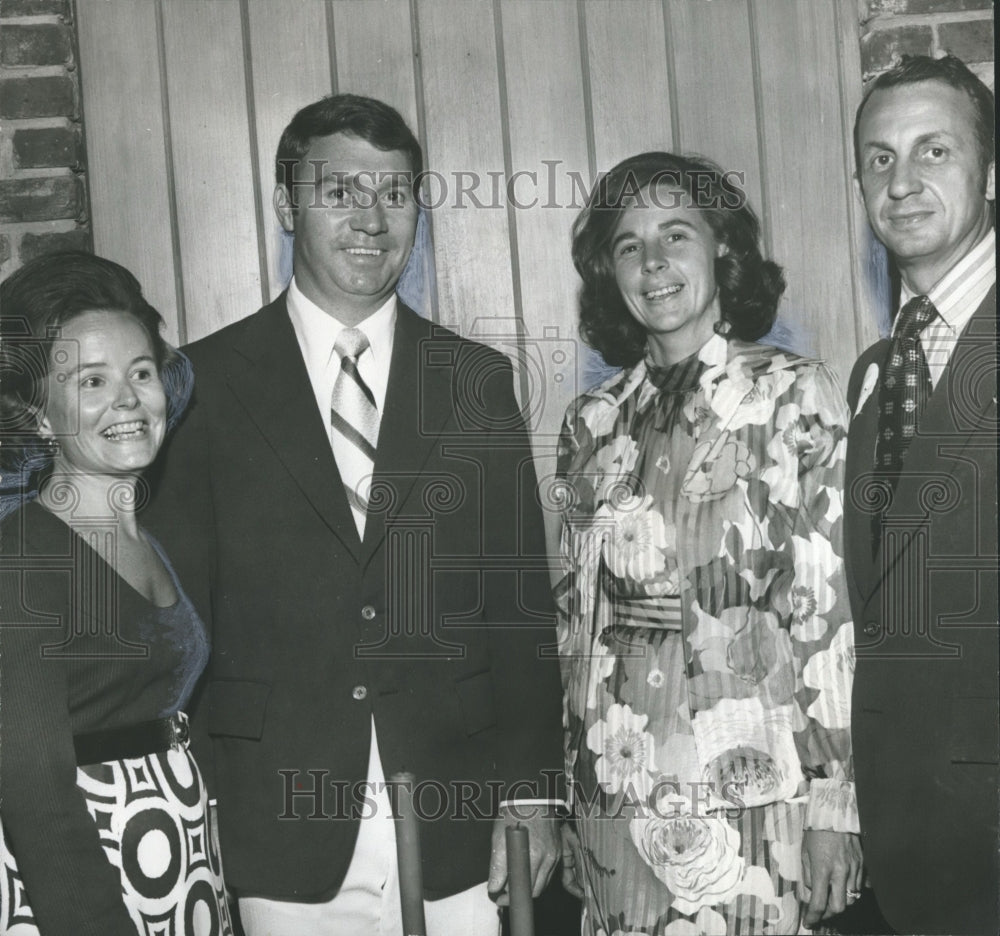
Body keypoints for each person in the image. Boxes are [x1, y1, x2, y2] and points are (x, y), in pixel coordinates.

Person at [145, 93, 564, 935]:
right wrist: (201, 803)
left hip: (460, 816)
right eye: (340, 193)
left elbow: (517, 609)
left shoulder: (474, 383)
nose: (372, 219)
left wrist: (529, 790)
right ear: (285, 204)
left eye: (395, 194)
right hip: (276, 822)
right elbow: (177, 621)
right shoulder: (199, 385)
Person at [554, 152, 861, 935]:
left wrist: (835, 806)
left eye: (677, 235)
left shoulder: (794, 396)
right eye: (629, 245)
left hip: (751, 807)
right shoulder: (589, 425)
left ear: (723, 251)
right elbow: (574, 629)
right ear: (608, 273)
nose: (654, 263)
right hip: (614, 804)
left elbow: (828, 617)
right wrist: (569, 797)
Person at [0, 252, 231, 935]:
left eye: (140, 373)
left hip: (177, 863)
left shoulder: (153, 535)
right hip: (86, 879)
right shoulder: (25, 560)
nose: (128, 400)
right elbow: (34, 787)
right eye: (90, 381)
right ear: (40, 416)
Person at [845, 54, 997, 935]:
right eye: (878, 158)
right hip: (908, 848)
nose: (900, 182)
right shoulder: (877, 373)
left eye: (933, 152)